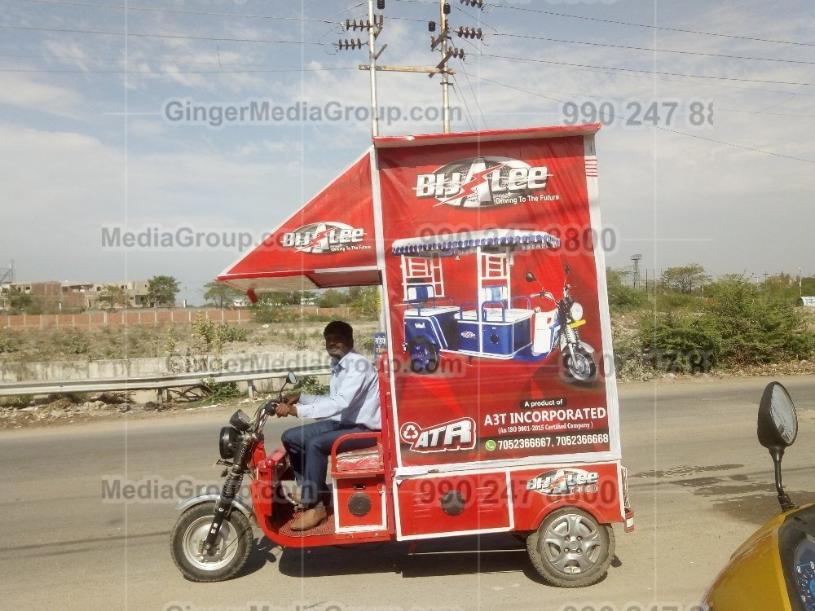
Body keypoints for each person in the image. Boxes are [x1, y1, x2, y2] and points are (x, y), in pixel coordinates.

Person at [276, 320, 381, 531]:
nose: (333, 345)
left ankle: (315, 507)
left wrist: (297, 411)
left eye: (338, 341)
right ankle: (315, 491)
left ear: (349, 341)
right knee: (291, 437)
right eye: (329, 341)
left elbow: (340, 403)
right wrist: (301, 398)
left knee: (316, 444)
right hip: (346, 424)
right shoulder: (339, 365)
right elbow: (332, 400)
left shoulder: (358, 366)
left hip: (366, 430)